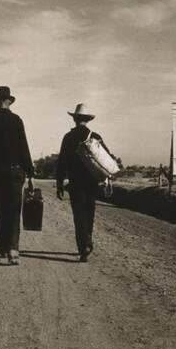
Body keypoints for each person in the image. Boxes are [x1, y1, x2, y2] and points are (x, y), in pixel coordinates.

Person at [0, 86, 35, 265]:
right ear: (9, 101)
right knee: (14, 210)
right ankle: (13, 249)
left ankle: (3, 247)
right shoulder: (16, 120)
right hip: (16, 171)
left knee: (0, 210)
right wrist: (31, 173)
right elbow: (24, 147)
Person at [56, 103, 114, 263]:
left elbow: (61, 162)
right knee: (90, 212)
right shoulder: (95, 136)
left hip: (75, 183)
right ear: (87, 120)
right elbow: (107, 157)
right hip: (92, 182)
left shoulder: (68, 137)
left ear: (74, 119)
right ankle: (88, 239)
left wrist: (59, 184)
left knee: (78, 215)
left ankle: (83, 248)